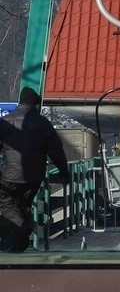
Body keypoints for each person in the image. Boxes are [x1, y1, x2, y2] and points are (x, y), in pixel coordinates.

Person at [0, 87, 71, 252]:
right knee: (22, 206)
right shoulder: (43, 123)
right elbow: (56, 151)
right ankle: (18, 247)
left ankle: (22, 230)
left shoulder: (5, 122)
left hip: (10, 176)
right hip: (34, 177)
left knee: (7, 204)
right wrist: (64, 171)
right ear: (35, 105)